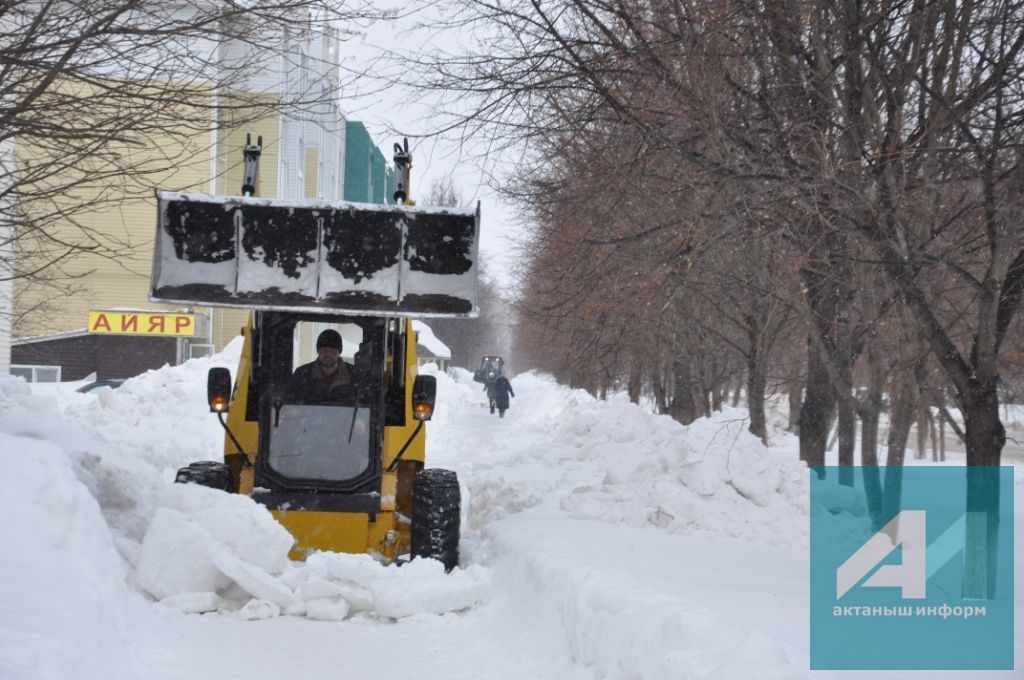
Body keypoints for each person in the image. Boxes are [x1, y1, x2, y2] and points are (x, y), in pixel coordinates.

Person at [287, 329, 353, 402]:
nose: (328, 355)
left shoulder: (355, 375)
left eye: (332, 350)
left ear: (339, 352)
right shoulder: (301, 374)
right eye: (324, 350)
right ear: (318, 351)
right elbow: (289, 405)